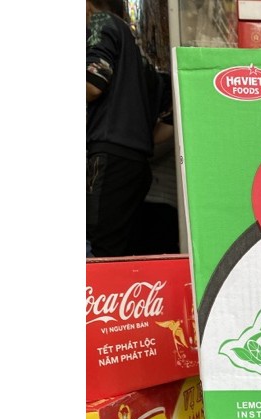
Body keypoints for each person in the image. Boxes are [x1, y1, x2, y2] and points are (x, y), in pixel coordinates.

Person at [86, 0, 171, 257]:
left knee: (97, 251)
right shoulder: (140, 56)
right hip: (135, 165)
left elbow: (93, 83)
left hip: (108, 158)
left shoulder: (100, 23)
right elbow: (169, 120)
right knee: (118, 251)